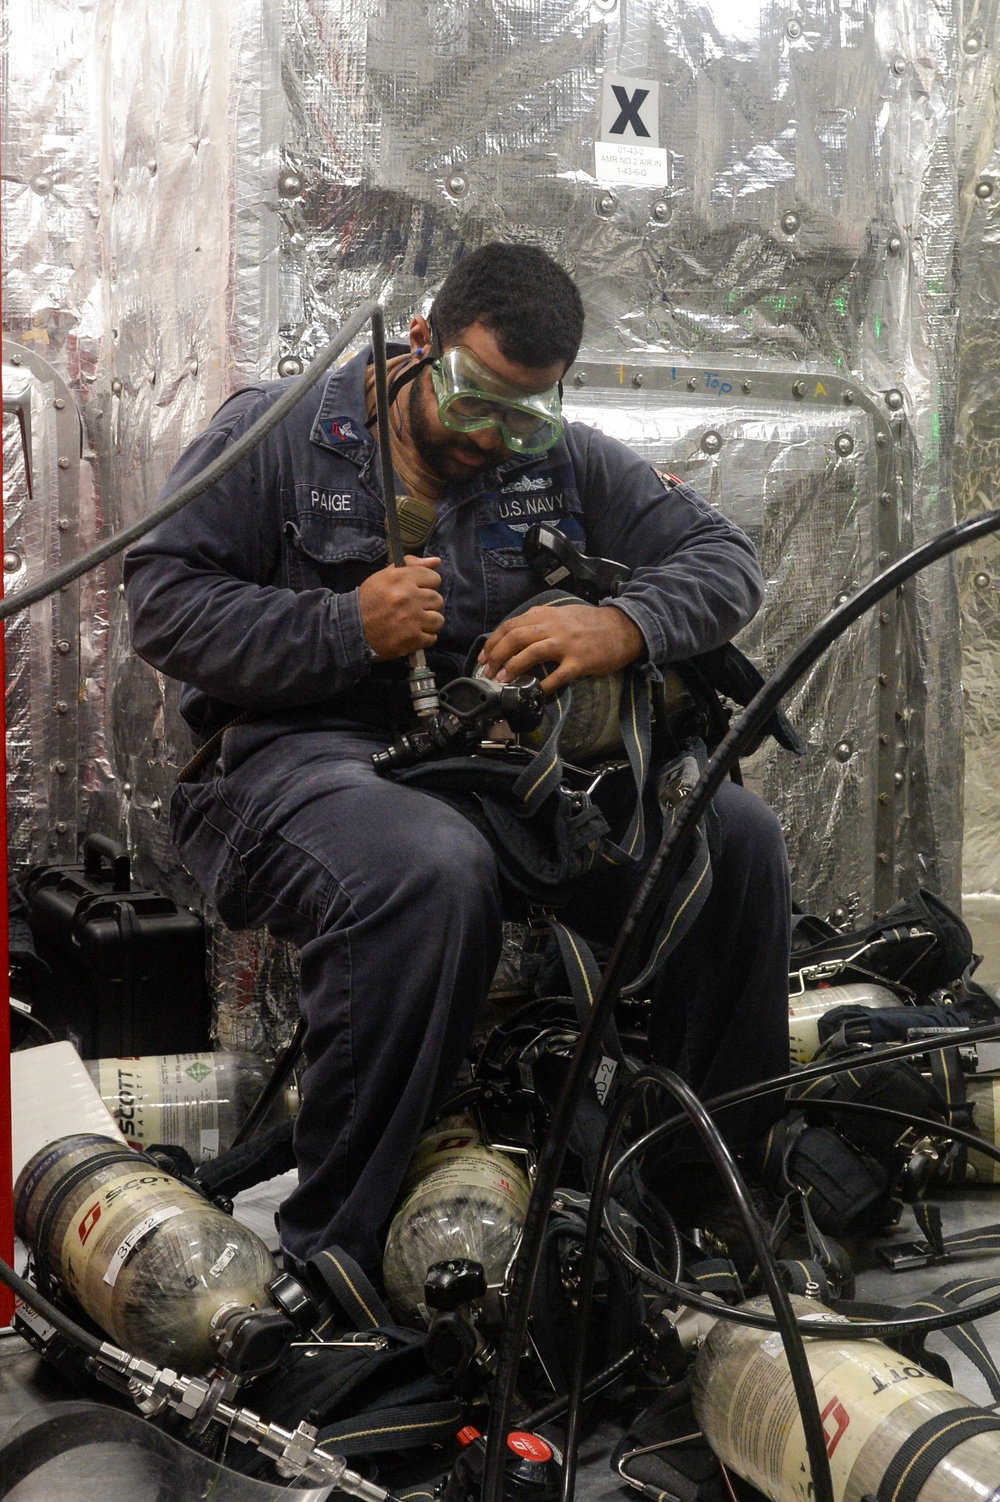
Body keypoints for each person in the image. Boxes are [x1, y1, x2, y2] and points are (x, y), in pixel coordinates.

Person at [125, 243, 791, 1278]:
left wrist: (620, 623)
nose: (493, 438)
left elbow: (724, 561)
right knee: (426, 865)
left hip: (487, 773)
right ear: (421, 344)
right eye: (477, 400)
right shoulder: (283, 432)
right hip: (290, 765)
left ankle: (693, 1205)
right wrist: (343, 626)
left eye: (524, 414)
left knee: (734, 835)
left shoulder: (558, 459)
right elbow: (163, 602)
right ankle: (336, 1255)